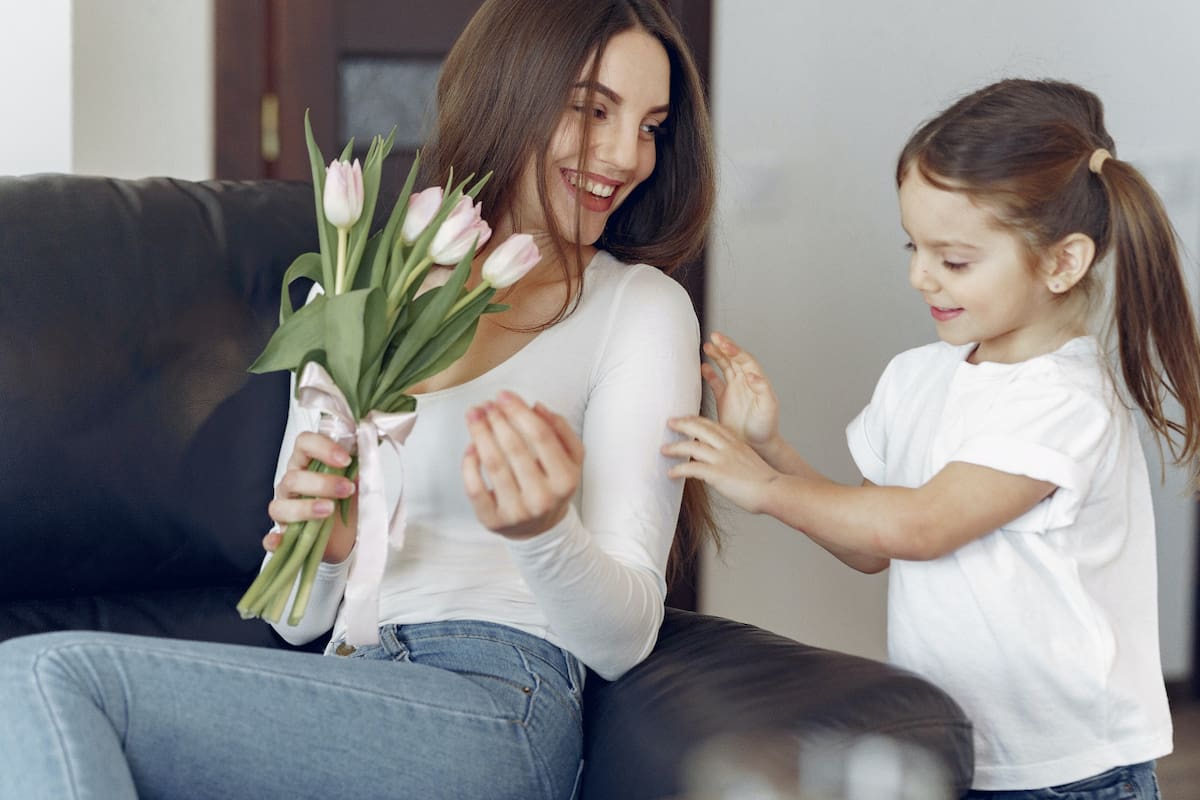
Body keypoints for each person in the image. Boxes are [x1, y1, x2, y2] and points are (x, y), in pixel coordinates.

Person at [0, 1, 716, 798]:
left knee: (39, 677)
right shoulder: (359, 294)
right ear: (511, 91)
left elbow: (624, 639)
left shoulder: (637, 309)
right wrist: (329, 547)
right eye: (593, 110)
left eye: (651, 127)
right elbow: (295, 618)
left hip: (497, 700)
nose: (627, 155)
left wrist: (544, 532)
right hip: (350, 679)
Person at [665, 78, 1200, 798]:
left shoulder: (1065, 400)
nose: (920, 276)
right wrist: (770, 448)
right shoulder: (916, 377)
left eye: (954, 260)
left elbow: (921, 526)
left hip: (1071, 772)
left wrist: (764, 488)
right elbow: (870, 543)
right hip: (959, 751)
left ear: (1062, 262)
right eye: (913, 246)